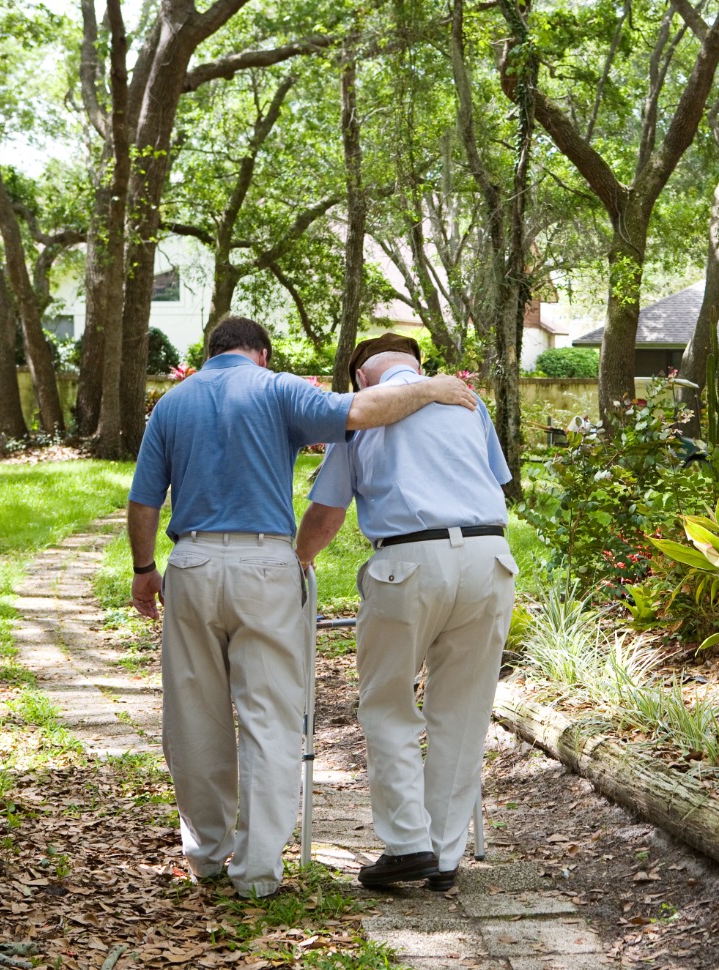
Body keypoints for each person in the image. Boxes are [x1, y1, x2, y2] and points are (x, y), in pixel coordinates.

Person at [127, 316, 477, 899]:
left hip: (188, 563)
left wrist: (144, 570)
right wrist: (432, 388)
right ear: (260, 353)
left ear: (210, 352)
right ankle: (259, 871)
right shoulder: (278, 387)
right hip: (265, 564)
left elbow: (143, 500)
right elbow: (360, 412)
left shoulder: (171, 404)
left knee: (193, 714)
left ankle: (207, 855)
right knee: (270, 716)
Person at [295, 333, 515, 892]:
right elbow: (496, 481)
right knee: (463, 712)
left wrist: (296, 563)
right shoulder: (467, 400)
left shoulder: (361, 414)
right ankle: (444, 855)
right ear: (417, 364)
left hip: (409, 560)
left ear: (360, 378)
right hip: (491, 556)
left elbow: (328, 513)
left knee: (389, 703)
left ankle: (407, 844)